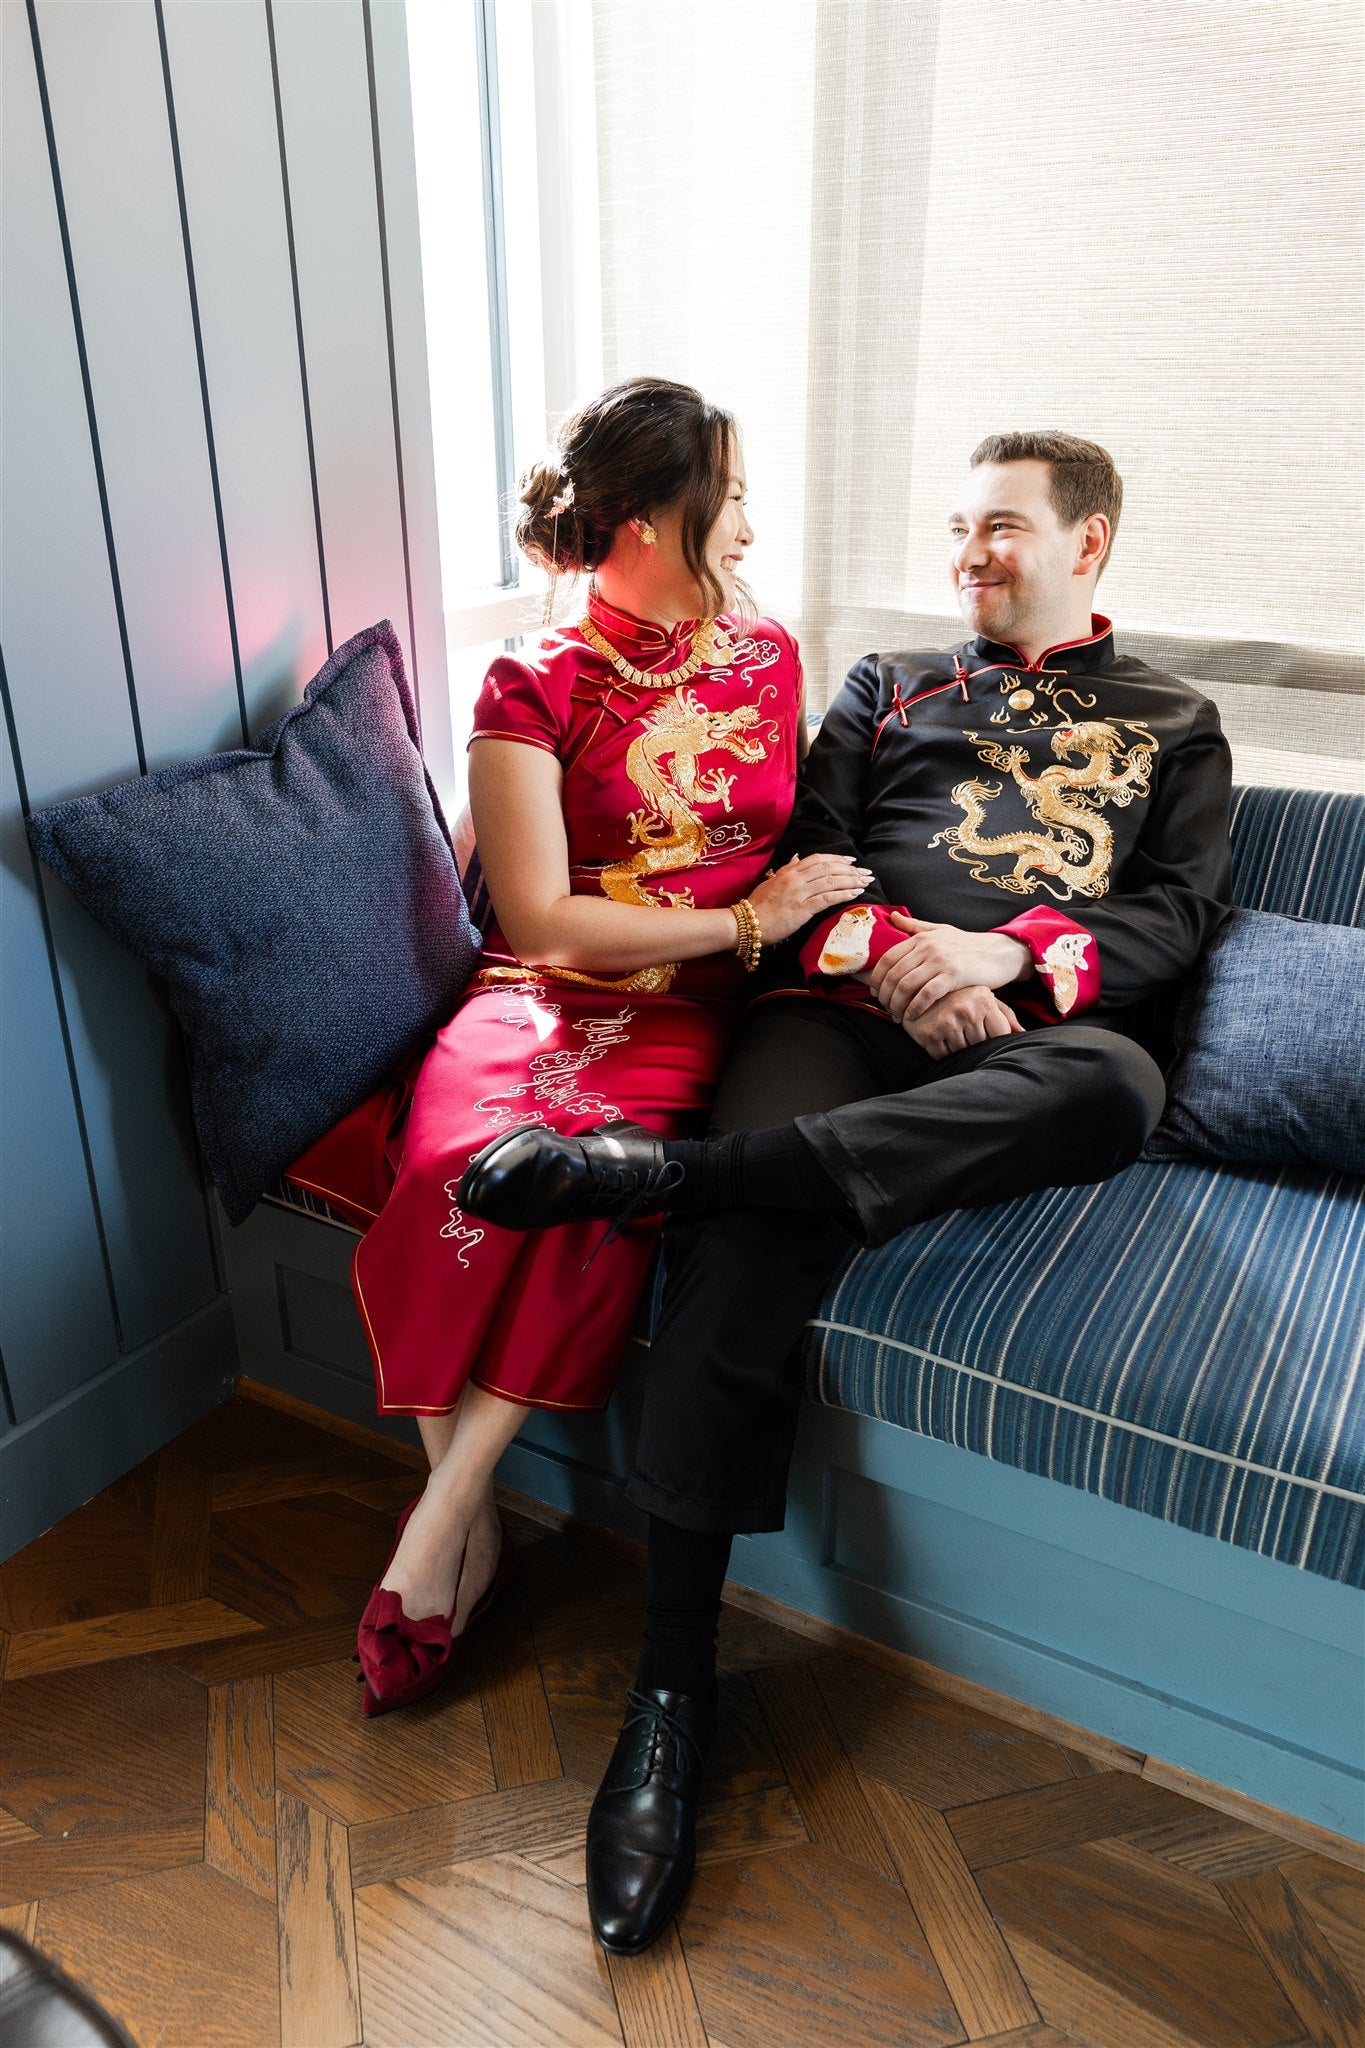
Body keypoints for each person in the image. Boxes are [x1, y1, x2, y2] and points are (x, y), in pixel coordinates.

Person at [458, 430, 1235, 1952]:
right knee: (747, 1247)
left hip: (1029, 1033)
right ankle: (670, 1695)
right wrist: (887, 953)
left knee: (1116, 1088)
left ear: (1089, 542)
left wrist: (1003, 955)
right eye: (955, 527)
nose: (967, 554)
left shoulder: (1175, 719)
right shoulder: (886, 688)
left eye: (1000, 527)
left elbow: (1176, 916)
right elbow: (804, 858)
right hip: (841, 1010)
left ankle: (664, 1174)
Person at [324, 377, 867, 1716]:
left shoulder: (769, 655)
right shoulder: (532, 683)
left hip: (692, 1007)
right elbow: (543, 916)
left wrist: (770, 928)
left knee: (583, 1186)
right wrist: (747, 916)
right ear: (641, 520)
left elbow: (784, 834)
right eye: (726, 497)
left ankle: (437, 1527)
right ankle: (464, 1520)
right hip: (552, 988)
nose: (746, 525)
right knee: (457, 1152)